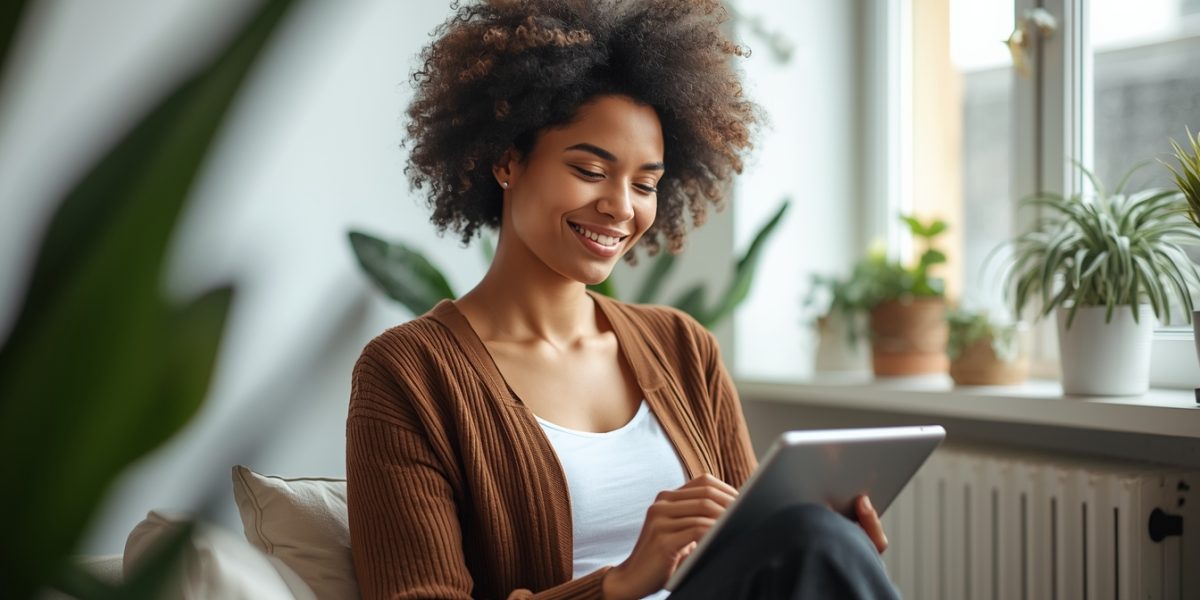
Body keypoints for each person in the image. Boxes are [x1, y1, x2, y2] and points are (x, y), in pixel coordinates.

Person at [346, 1, 899, 598]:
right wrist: (619, 584)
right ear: (507, 159)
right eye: (589, 170)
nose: (621, 206)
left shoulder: (684, 347)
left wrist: (825, 544)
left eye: (645, 184)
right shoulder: (408, 374)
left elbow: (751, 541)